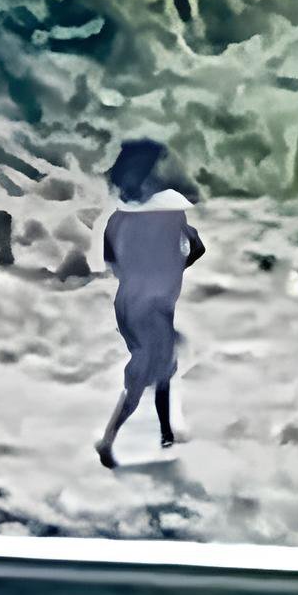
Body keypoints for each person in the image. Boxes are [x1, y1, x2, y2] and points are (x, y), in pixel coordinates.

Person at [96, 138, 205, 469]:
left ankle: (165, 433)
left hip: (131, 302)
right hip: (156, 304)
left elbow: (109, 258)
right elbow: (198, 248)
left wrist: (143, 271)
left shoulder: (119, 218)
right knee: (148, 373)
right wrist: (172, 269)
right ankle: (108, 440)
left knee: (162, 365)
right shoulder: (173, 214)